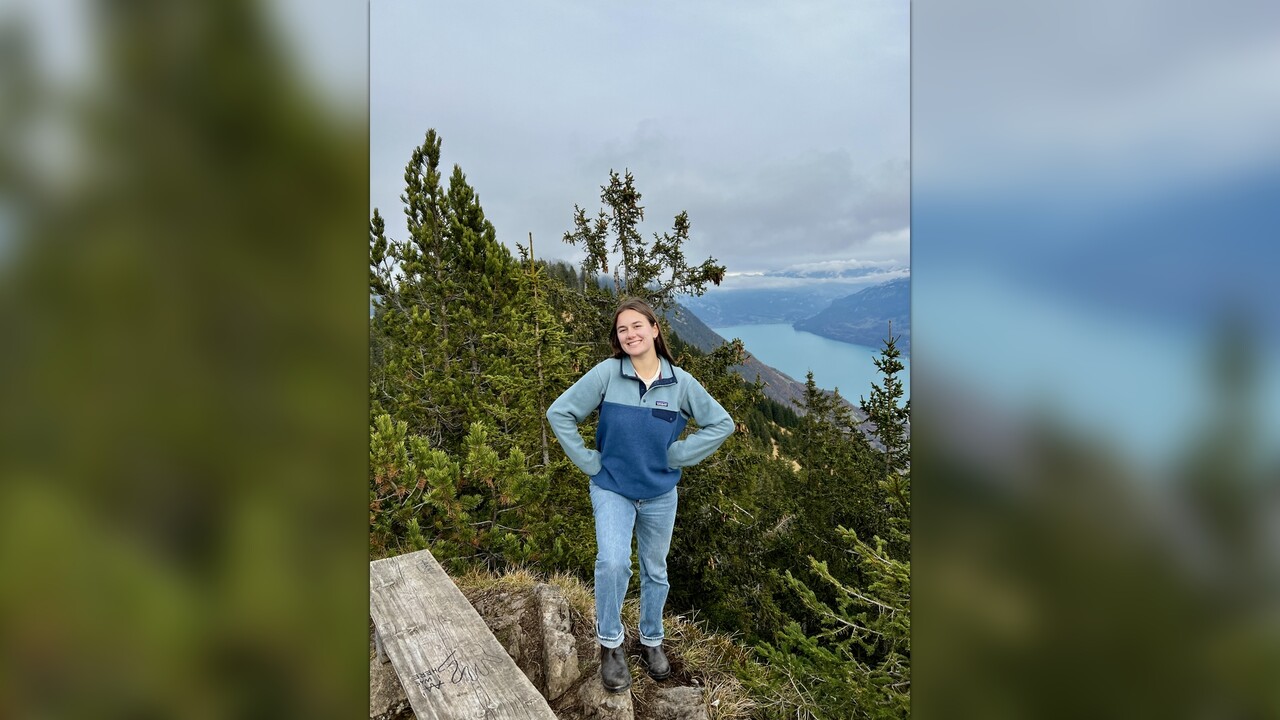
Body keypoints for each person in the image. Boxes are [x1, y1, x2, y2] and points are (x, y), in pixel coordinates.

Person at [546, 297, 734, 693]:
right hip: (612, 487)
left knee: (655, 570)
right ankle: (610, 644)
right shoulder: (607, 374)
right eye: (622, 329)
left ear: (654, 329)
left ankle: (651, 640)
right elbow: (559, 413)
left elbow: (722, 424)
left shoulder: (681, 383)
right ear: (617, 338)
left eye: (637, 326)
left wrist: (677, 454)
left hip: (660, 494)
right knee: (613, 563)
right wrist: (588, 461)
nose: (630, 334)